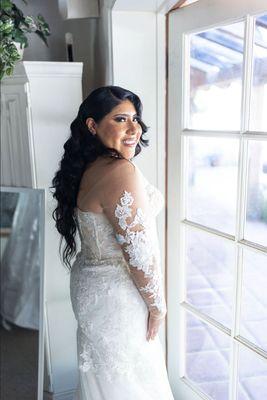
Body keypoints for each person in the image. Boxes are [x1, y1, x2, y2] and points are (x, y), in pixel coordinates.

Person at [51, 86, 174, 400]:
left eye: (135, 119)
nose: (135, 128)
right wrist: (158, 308)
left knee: (108, 383)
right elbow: (140, 255)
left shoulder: (91, 163)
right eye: (121, 119)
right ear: (92, 125)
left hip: (93, 284)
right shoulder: (119, 170)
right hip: (119, 297)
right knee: (132, 386)